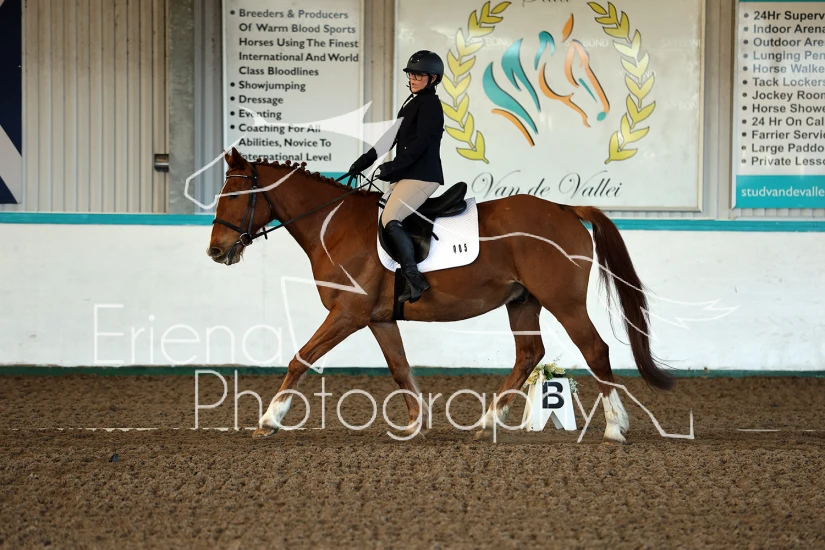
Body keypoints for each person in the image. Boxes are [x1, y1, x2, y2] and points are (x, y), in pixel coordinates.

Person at [349, 50, 446, 303]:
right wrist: (365, 161)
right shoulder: (412, 102)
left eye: (419, 75)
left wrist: (393, 166)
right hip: (407, 175)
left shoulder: (431, 105)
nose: (413, 79)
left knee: (390, 217)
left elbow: (421, 144)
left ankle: (414, 279)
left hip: (422, 176)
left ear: (433, 78)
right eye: (411, 74)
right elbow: (390, 137)